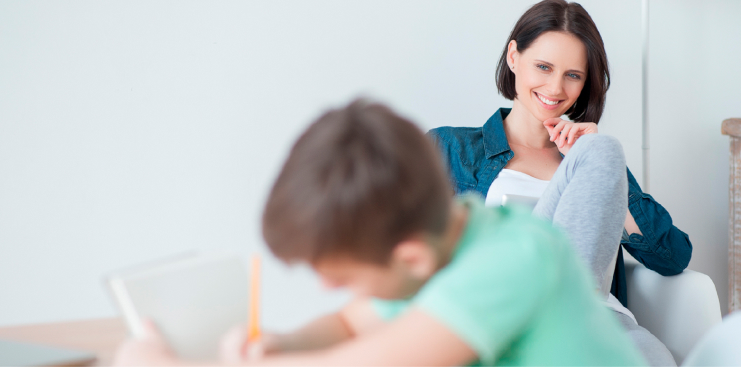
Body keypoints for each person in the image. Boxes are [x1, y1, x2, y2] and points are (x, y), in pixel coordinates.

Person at [113, 99, 646, 366]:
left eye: (343, 277)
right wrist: (286, 341)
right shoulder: (456, 233)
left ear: (409, 258)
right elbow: (352, 323)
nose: (330, 290)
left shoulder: (511, 262)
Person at [427, 1, 691, 365]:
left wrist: (597, 162)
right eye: (543, 67)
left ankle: (567, 323)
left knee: (655, 357)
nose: (555, 87)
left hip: (595, 317)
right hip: (504, 312)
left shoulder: (594, 157)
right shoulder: (449, 147)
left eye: (573, 75)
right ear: (514, 57)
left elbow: (674, 257)